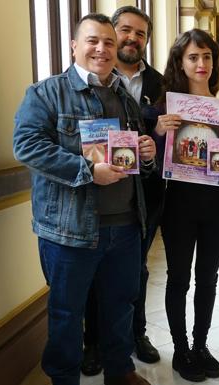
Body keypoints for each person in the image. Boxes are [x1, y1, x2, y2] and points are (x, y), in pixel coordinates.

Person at [13, 13, 156, 385]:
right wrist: (88, 171)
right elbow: (26, 146)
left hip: (124, 225)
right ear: (74, 46)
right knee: (65, 312)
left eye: (109, 42)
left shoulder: (125, 96)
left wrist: (147, 151)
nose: (102, 48)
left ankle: (120, 370)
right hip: (69, 231)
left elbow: (133, 156)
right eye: (92, 40)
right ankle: (63, 378)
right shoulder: (46, 93)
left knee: (120, 306)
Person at [152, 28, 219, 383]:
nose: (201, 63)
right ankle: (180, 349)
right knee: (178, 277)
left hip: (216, 201)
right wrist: (160, 132)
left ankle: (201, 345)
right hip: (178, 201)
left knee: (208, 278)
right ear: (180, 62)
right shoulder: (165, 109)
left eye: (207, 57)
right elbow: (154, 161)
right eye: (193, 57)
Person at [80, 6, 164, 376]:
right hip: (94, 194)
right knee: (95, 275)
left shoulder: (162, 83)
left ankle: (136, 335)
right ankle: (93, 343)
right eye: (125, 31)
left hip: (144, 196)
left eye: (140, 33)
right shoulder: (95, 79)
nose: (132, 38)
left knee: (135, 273)